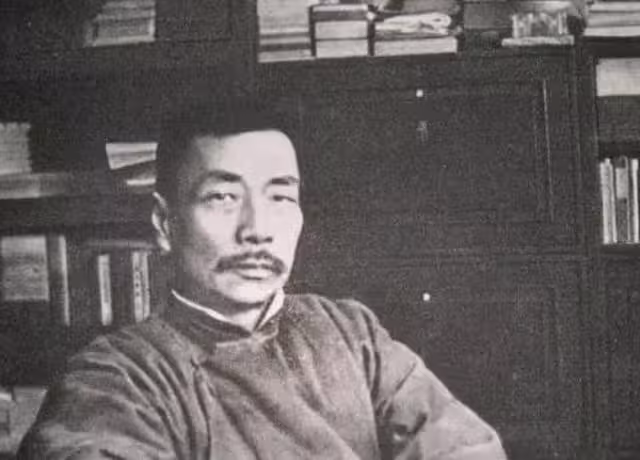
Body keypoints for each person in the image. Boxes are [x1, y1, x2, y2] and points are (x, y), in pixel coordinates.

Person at [18, 101, 507, 459]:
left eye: (280, 197)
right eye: (222, 198)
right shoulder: (116, 378)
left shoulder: (351, 333)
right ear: (165, 225)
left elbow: (465, 448)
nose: (257, 229)